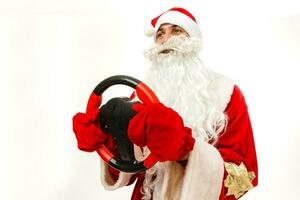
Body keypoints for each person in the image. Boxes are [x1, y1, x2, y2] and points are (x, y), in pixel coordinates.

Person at [73, 7, 258, 200]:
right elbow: (131, 170)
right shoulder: (142, 95)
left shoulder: (225, 92)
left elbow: (244, 175)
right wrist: (110, 140)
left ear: (192, 40)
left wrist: (187, 151)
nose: (166, 39)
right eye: (160, 34)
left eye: (176, 31)